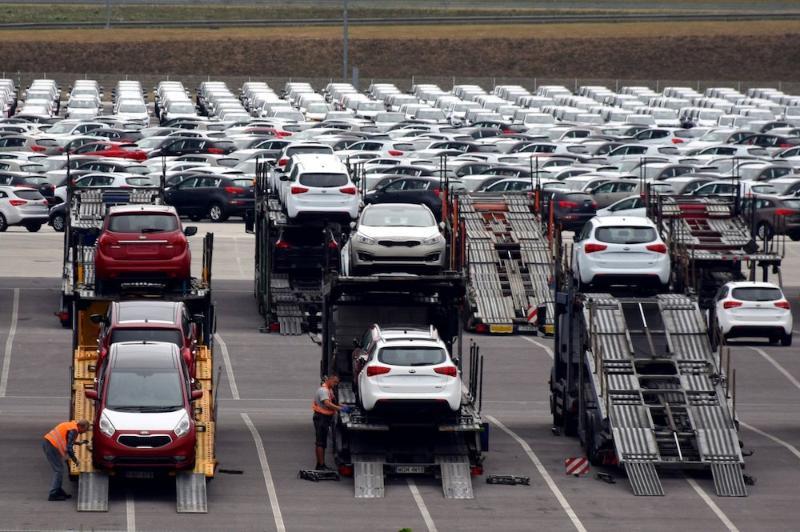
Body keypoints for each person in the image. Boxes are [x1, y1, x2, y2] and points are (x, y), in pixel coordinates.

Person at [42, 419, 89, 501]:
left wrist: (79, 443)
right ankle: (53, 494)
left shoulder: (71, 426)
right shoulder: (74, 430)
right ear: (81, 426)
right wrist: (75, 461)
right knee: (58, 470)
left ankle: (58, 490)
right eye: (84, 430)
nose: (83, 433)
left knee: (60, 469)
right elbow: (69, 448)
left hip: (49, 443)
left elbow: (67, 440)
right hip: (51, 445)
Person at [312, 375, 350, 470]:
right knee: (320, 442)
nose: (335, 385)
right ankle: (320, 465)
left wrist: (343, 405)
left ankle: (321, 464)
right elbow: (327, 404)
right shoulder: (323, 391)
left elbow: (333, 402)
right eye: (335, 382)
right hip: (321, 418)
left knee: (323, 442)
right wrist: (340, 409)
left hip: (325, 419)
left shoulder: (329, 390)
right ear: (330, 380)